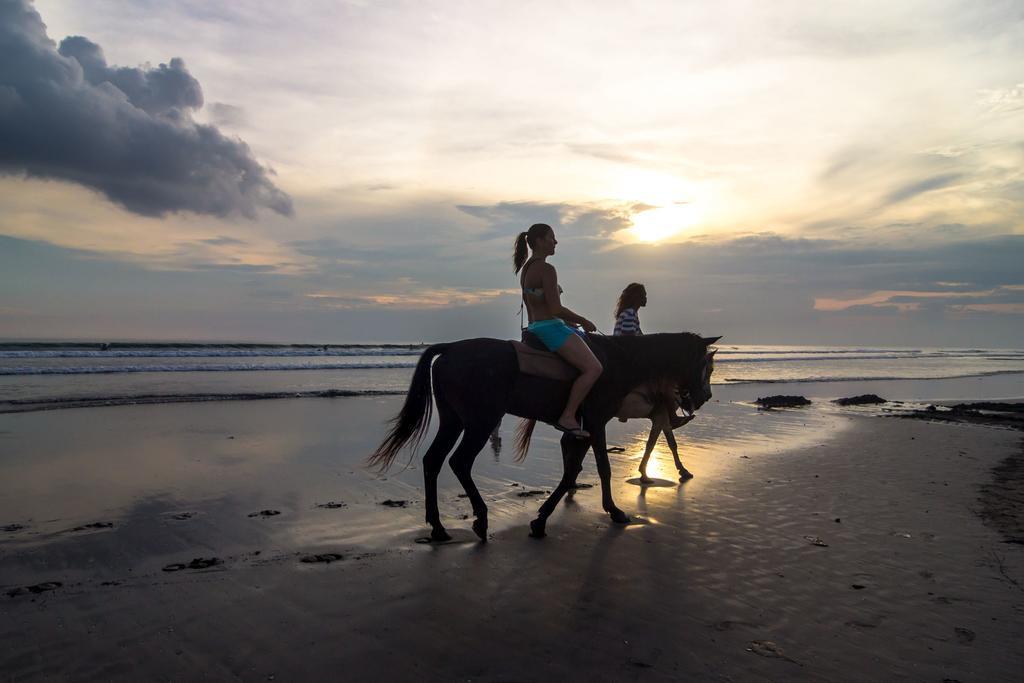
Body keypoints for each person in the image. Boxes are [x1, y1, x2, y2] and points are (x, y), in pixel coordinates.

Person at [515, 223, 602, 439]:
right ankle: (568, 415)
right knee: (593, 368)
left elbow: (537, 303)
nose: (556, 242)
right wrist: (583, 320)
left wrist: (568, 324)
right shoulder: (546, 269)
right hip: (549, 327)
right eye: (551, 238)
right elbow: (555, 308)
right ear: (539, 241)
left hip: (538, 325)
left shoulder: (527, 268)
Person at [613, 283, 692, 481]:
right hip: (627, 358)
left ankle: (667, 416)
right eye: (644, 295)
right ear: (637, 297)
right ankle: (672, 414)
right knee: (664, 377)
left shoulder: (628, 312)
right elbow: (631, 340)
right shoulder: (630, 313)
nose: (647, 298)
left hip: (626, 355)